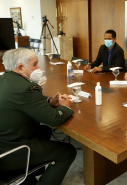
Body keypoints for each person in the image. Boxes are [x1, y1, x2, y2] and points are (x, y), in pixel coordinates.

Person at [0, 48, 76, 185]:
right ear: (20, 67)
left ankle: (29, 175)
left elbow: (22, 101)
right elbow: (54, 119)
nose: (38, 67)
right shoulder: (26, 88)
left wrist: (49, 101)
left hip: (3, 140)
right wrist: (65, 106)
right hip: (9, 152)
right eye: (34, 64)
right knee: (67, 152)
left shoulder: (4, 79)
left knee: (44, 131)